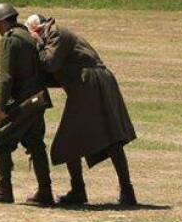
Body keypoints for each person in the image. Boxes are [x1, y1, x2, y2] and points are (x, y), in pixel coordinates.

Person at [26, 15, 139, 205]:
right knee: (106, 136)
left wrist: (38, 44)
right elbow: (56, 73)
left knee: (74, 137)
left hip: (90, 83)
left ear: (38, 30)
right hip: (94, 82)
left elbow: (49, 64)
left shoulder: (55, 34)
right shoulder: (55, 35)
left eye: (34, 34)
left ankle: (83, 191)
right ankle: (119, 190)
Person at [0, 3, 54, 206]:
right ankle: (45, 191)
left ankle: (4, 190)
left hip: (24, 102)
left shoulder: (9, 40)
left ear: (3, 22)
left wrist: (1, 108)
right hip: (38, 100)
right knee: (35, 143)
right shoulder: (29, 37)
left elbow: (5, 77)